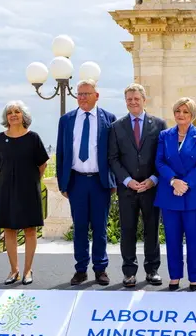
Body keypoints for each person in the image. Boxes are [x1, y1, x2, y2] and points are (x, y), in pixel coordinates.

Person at [56, 79, 117, 286]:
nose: (82, 97)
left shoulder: (109, 119)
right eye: (79, 94)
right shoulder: (67, 120)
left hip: (100, 182)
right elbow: (61, 152)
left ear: (96, 96)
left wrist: (113, 181)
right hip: (77, 181)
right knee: (80, 227)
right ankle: (80, 269)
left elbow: (113, 154)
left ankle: (100, 269)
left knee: (100, 228)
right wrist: (62, 183)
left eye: (86, 94)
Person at [108, 83, 167, 288]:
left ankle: (152, 270)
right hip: (127, 189)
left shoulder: (159, 125)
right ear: (126, 102)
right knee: (128, 230)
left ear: (144, 100)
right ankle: (129, 272)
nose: (133, 102)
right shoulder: (116, 127)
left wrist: (153, 179)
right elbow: (113, 158)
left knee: (152, 229)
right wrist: (127, 180)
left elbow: (164, 157)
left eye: (136, 98)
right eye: (129, 99)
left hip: (152, 187)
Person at [0, 100, 49, 286]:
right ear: (6, 117)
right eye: (10, 112)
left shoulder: (33, 138)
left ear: (24, 115)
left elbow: (42, 164)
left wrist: (31, 182)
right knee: (9, 229)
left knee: (30, 229)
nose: (13, 115)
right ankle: (14, 270)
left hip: (28, 189)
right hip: (6, 189)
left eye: (17, 111)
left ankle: (27, 270)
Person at [154, 97, 196, 291]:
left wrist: (185, 184)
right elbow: (159, 162)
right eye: (178, 111)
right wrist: (173, 181)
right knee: (172, 239)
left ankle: (194, 278)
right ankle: (175, 276)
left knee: (194, 240)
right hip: (169, 194)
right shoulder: (164, 135)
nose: (181, 115)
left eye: (185, 112)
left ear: (192, 115)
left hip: (192, 195)